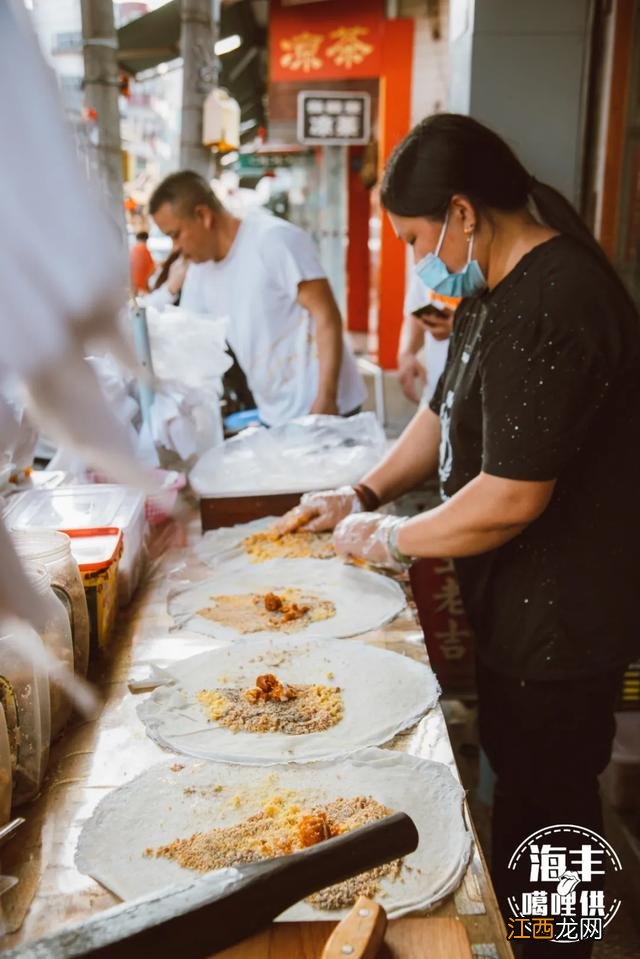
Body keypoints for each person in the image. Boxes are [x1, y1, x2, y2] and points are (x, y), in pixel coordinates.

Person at [279, 114, 640, 956]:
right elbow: (442, 413)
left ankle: (560, 947)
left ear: (462, 211)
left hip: (565, 616)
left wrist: (396, 540)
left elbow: (512, 497)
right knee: (521, 787)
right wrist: (361, 490)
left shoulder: (561, 298)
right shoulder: (491, 288)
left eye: (415, 237)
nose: (418, 259)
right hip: (518, 601)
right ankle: (534, 936)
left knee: (551, 804)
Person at [148, 171, 366, 426]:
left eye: (176, 235)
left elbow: (326, 314)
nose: (175, 247)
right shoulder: (198, 273)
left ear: (203, 216)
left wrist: (326, 398)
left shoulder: (272, 239)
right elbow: (190, 341)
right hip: (274, 414)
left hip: (328, 406)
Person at [397, 273, 457, 405]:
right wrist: (407, 352)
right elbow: (414, 310)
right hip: (434, 390)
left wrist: (460, 325)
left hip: (472, 397)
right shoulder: (427, 262)